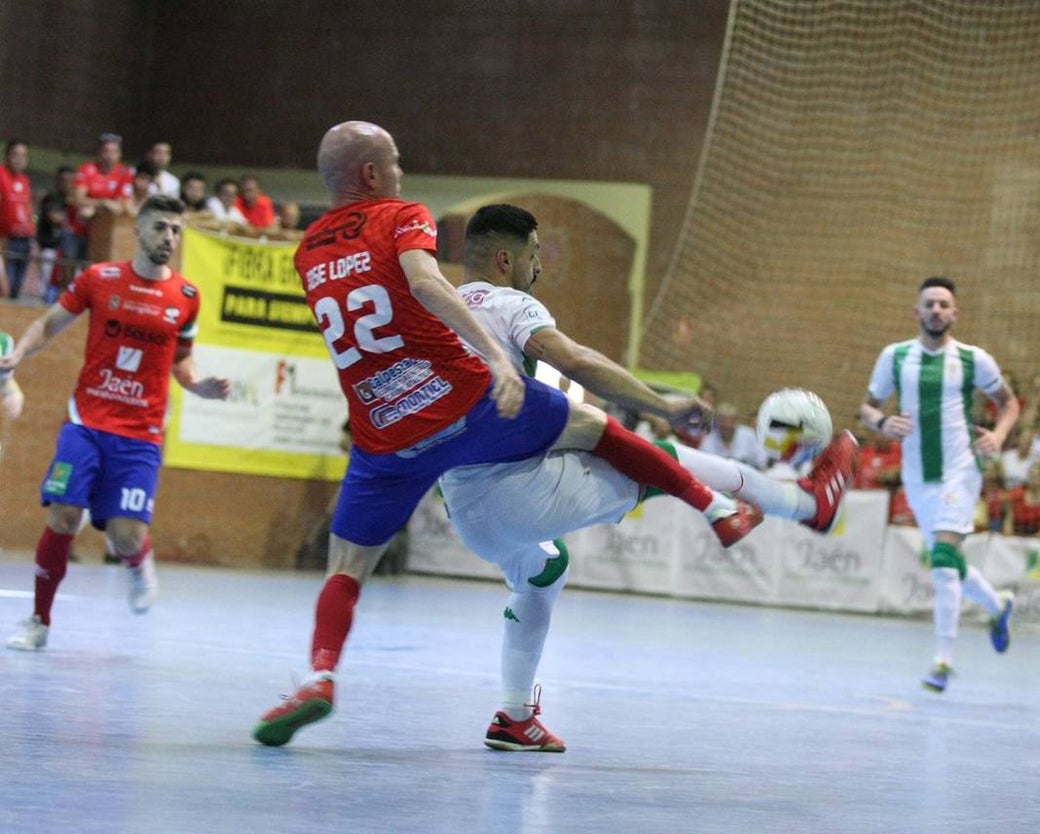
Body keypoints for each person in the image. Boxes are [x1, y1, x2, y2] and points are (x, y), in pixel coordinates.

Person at [251, 122, 761, 747]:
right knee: (593, 425)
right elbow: (426, 284)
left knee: (347, 566)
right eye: (396, 162)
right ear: (372, 174)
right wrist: (494, 357)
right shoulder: (402, 216)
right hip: (461, 399)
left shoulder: (307, 251)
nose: (402, 173)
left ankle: (320, 676)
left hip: (385, 432)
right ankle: (714, 507)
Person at [435, 204, 859, 751]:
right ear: (505, 259)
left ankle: (514, 717)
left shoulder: (439, 309)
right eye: (534, 254)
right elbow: (574, 359)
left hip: (463, 502)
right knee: (658, 456)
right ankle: (806, 503)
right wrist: (661, 403)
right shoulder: (511, 304)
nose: (537, 267)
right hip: (515, 493)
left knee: (544, 567)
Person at [0, 195, 232, 651]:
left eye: (176, 230)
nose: (169, 238)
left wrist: (198, 385)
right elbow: (49, 324)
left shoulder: (186, 297)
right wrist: (19, 355)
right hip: (86, 421)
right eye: (160, 227)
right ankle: (39, 620)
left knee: (126, 536)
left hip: (140, 433)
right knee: (64, 514)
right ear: (139, 230)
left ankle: (138, 562)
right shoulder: (99, 278)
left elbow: (182, 361)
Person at [860, 276, 1020, 694]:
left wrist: (999, 436)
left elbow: (1009, 403)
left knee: (944, 561)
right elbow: (868, 408)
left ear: (955, 314)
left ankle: (943, 662)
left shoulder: (973, 359)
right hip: (917, 474)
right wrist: (882, 422)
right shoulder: (895, 356)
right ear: (916, 312)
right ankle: (998, 604)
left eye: (943, 304)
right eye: (929, 304)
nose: (936, 310)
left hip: (961, 468)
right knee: (948, 558)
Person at [0, 140, 36, 299]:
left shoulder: (25, 180)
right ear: (7, 156)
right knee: (4, 287)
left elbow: (28, 207)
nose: (19, 159)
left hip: (24, 240)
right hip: (5, 239)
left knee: (16, 288)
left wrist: (32, 230)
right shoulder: (1, 174)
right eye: (15, 154)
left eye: (23, 155)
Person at [35, 167, 76, 303]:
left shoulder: (73, 200)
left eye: (70, 181)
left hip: (66, 252)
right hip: (50, 249)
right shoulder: (51, 198)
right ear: (57, 181)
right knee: (46, 287)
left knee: (65, 287)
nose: (67, 184)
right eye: (64, 180)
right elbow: (55, 217)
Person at [1003, 461, 1040, 539]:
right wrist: (1010, 537)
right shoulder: (1017, 495)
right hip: (1017, 536)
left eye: (1036, 476)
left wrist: (1033, 541)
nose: (1033, 479)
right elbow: (1008, 522)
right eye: (1031, 476)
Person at [698, 402, 767, 467]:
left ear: (737, 420)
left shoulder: (749, 435)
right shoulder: (709, 438)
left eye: (732, 420)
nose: (727, 424)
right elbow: (703, 463)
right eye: (723, 420)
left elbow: (762, 461)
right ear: (717, 421)